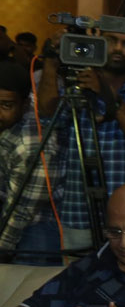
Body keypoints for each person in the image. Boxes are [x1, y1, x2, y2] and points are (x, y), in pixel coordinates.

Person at [37, 19, 125, 254]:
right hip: (79, 211)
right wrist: (51, 61)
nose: (118, 49)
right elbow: (47, 116)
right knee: (77, 275)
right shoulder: (77, 90)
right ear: (97, 44)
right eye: (111, 41)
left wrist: (105, 92)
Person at [0, 59, 60, 262]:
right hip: (11, 212)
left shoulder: (31, 143)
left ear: (25, 104)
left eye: (6, 105)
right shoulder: (8, 124)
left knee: (26, 279)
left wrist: (2, 249)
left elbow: (22, 210)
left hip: (38, 227)